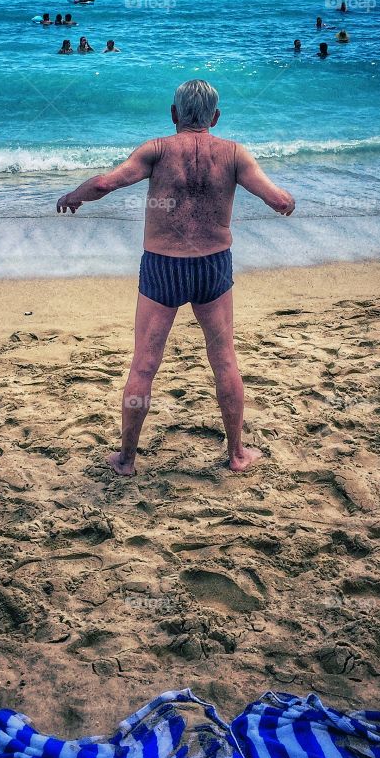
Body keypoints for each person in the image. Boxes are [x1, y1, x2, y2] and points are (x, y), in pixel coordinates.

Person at [56, 79, 294, 475]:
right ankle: (236, 455)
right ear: (215, 118)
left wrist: (72, 196)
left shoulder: (157, 150)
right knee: (224, 360)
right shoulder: (235, 154)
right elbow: (278, 199)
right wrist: (287, 203)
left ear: (173, 114)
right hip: (212, 267)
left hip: (163, 267)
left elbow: (104, 183)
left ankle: (127, 459)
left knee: (144, 366)